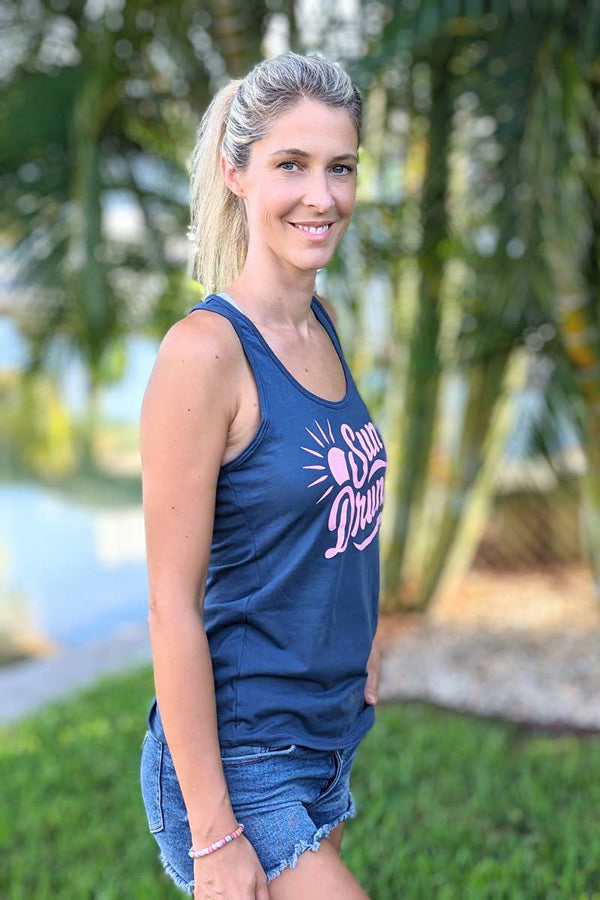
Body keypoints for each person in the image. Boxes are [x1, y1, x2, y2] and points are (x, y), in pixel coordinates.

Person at [139, 50, 387, 899]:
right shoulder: (203, 355)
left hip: (326, 734)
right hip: (240, 756)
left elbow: (329, 519)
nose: (322, 196)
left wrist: (369, 647)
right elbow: (170, 606)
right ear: (236, 173)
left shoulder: (321, 324)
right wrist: (213, 833)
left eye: (340, 167)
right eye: (293, 165)